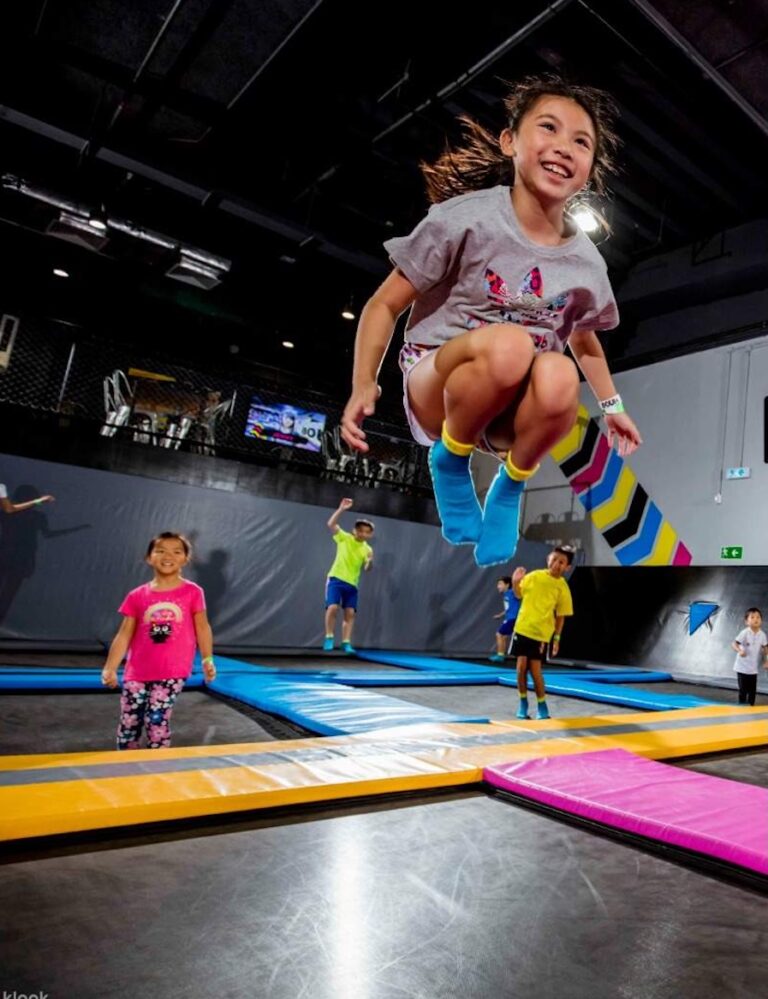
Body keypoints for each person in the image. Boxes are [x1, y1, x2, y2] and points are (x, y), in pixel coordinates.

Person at [341, 74, 642, 566]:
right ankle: (450, 460)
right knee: (510, 345)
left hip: (507, 410)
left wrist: (612, 406)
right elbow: (383, 304)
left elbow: (584, 338)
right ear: (510, 142)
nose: (564, 147)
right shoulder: (464, 219)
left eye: (580, 141)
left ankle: (510, 486)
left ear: (590, 168)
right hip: (438, 383)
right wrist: (362, 384)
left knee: (560, 371)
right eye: (548, 128)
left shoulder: (586, 263)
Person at [101, 531, 216, 749]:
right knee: (129, 720)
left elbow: (202, 626)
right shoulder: (137, 595)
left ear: (185, 559)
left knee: (157, 720)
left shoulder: (192, 592)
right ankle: (125, 764)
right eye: (160, 550)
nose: (168, 556)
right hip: (137, 670)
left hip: (172, 670)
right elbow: (125, 633)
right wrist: (110, 668)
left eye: (176, 551)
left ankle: (158, 766)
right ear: (149, 557)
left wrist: (207, 658)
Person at [511, 545, 574, 720]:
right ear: (548, 559)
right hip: (523, 628)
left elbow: (561, 616)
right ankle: (523, 703)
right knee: (521, 666)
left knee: (535, 670)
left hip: (541, 634)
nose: (556, 564)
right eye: (554, 559)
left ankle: (542, 704)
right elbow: (518, 594)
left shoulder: (562, 588)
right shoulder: (534, 576)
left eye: (561, 562)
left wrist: (557, 638)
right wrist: (516, 582)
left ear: (567, 567)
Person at [323, 498, 374, 653]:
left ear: (370, 534)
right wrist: (341, 509)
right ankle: (329, 637)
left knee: (350, 613)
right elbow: (331, 525)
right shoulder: (345, 538)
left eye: (367, 531)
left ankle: (346, 642)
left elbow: (367, 568)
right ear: (354, 531)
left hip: (352, 585)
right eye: (360, 530)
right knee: (332, 608)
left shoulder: (368, 549)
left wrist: (370, 561)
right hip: (336, 579)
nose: (363, 533)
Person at [731, 607, 767, 707]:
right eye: (752, 617)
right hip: (742, 667)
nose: (756, 619)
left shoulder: (762, 635)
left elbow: (765, 649)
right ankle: (741, 708)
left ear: (761, 620)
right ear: (747, 621)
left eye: (758, 617)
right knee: (743, 690)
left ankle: (751, 708)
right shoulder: (744, 633)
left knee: (752, 692)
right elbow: (734, 644)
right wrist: (740, 650)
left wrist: (766, 661)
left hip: (753, 669)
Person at [489, 574, 521, 663]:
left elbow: (518, 591)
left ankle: (500, 655)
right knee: (503, 636)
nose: (498, 586)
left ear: (507, 585)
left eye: (500, 584)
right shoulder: (506, 595)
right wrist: (500, 615)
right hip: (510, 618)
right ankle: (501, 655)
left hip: (512, 618)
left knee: (499, 634)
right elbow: (508, 608)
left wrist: (516, 580)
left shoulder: (512, 592)